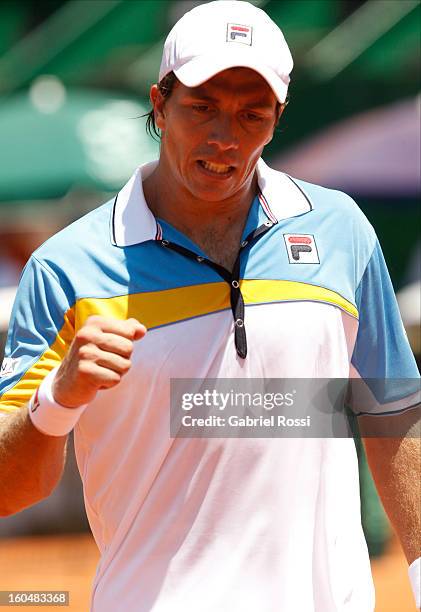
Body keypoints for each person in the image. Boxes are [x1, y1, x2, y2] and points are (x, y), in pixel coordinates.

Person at [0, 2, 419, 610]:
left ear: (278, 118)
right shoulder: (67, 268)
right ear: (158, 105)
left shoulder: (340, 229)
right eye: (201, 108)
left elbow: (394, 413)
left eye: (252, 114)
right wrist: (57, 399)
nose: (225, 138)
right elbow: (12, 488)